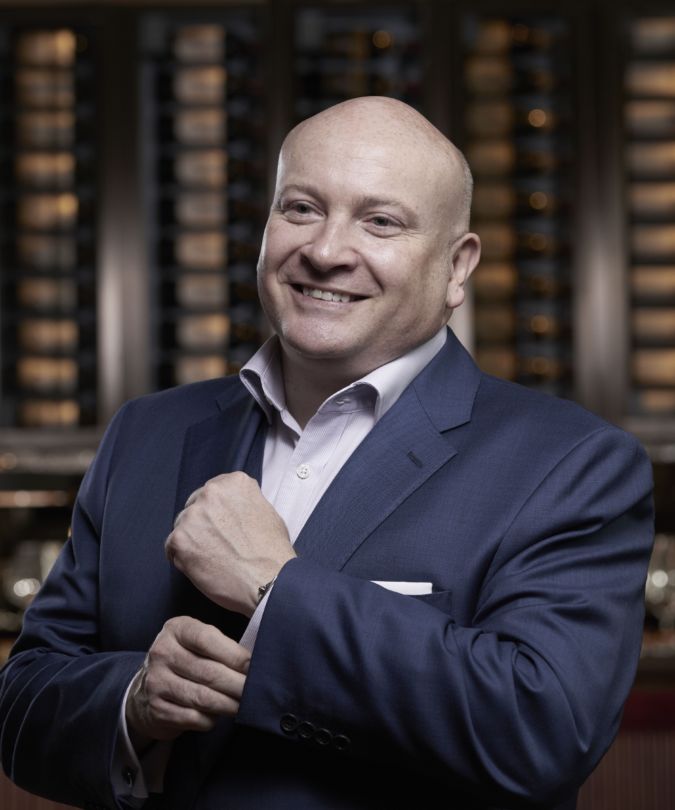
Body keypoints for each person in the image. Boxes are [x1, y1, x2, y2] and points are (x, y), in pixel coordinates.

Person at [0, 97, 654, 810]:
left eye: (380, 221)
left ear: (456, 266)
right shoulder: (146, 432)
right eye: (302, 208)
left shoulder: (573, 465)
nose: (326, 250)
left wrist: (273, 588)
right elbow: (24, 702)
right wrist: (133, 703)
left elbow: (543, 731)